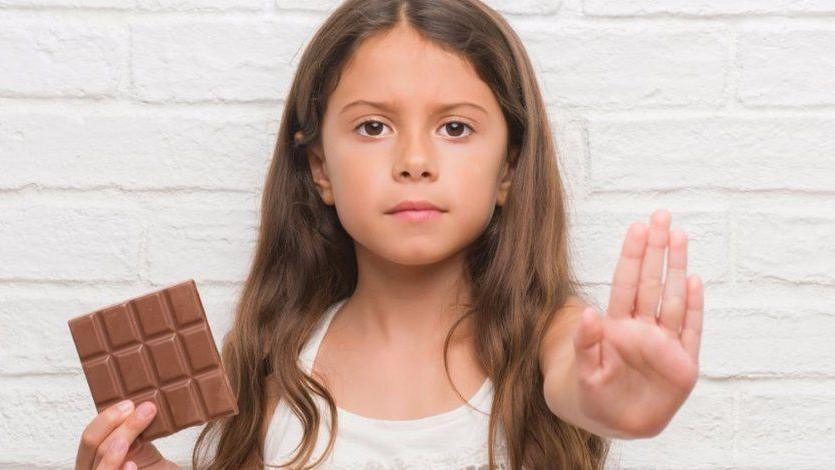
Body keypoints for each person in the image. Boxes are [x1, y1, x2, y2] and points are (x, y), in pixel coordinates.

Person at [74, 0, 704, 468]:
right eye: (373, 128)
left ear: (508, 168)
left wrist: (610, 405)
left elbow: (577, 385)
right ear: (320, 167)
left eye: (455, 129)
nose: (414, 160)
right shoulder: (272, 357)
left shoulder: (552, 336)